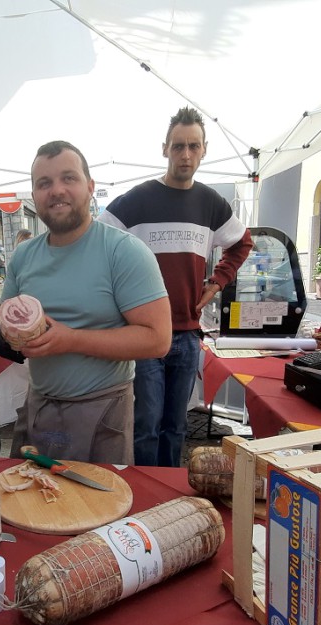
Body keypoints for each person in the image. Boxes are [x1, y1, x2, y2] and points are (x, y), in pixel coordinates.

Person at [0, 140, 170, 466]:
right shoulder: (24, 256)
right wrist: (9, 338)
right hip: (40, 407)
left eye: (68, 178)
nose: (56, 190)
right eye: (44, 183)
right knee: (29, 506)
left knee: (97, 510)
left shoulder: (124, 251)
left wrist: (70, 340)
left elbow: (158, 339)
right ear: (34, 195)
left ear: (90, 187)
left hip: (103, 413)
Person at [96, 106, 253, 468]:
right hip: (148, 333)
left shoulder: (211, 203)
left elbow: (241, 242)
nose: (186, 154)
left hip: (187, 332)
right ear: (164, 148)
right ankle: (148, 488)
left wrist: (216, 283)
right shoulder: (136, 200)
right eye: (178, 146)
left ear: (204, 149)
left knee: (176, 426)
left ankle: (169, 488)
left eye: (193, 146)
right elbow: (98, 242)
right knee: (147, 424)